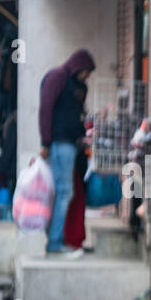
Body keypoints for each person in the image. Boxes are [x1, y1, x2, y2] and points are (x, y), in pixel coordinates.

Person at [37, 49, 95, 255]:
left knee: (62, 192)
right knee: (64, 192)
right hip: (60, 143)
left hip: (68, 144)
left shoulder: (73, 85)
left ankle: (55, 239)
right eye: (86, 72)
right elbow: (45, 108)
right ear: (79, 66)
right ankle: (54, 242)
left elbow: (73, 115)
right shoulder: (57, 76)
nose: (87, 77)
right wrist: (45, 142)